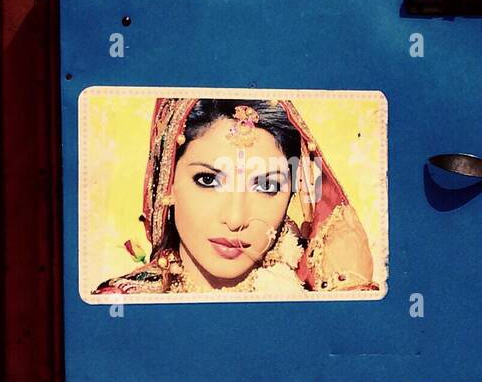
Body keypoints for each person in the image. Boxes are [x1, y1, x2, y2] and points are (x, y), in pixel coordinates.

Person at [94, 97, 377, 296]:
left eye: (267, 186)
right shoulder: (121, 308)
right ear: (166, 183)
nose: (235, 219)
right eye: (207, 180)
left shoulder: (322, 305)